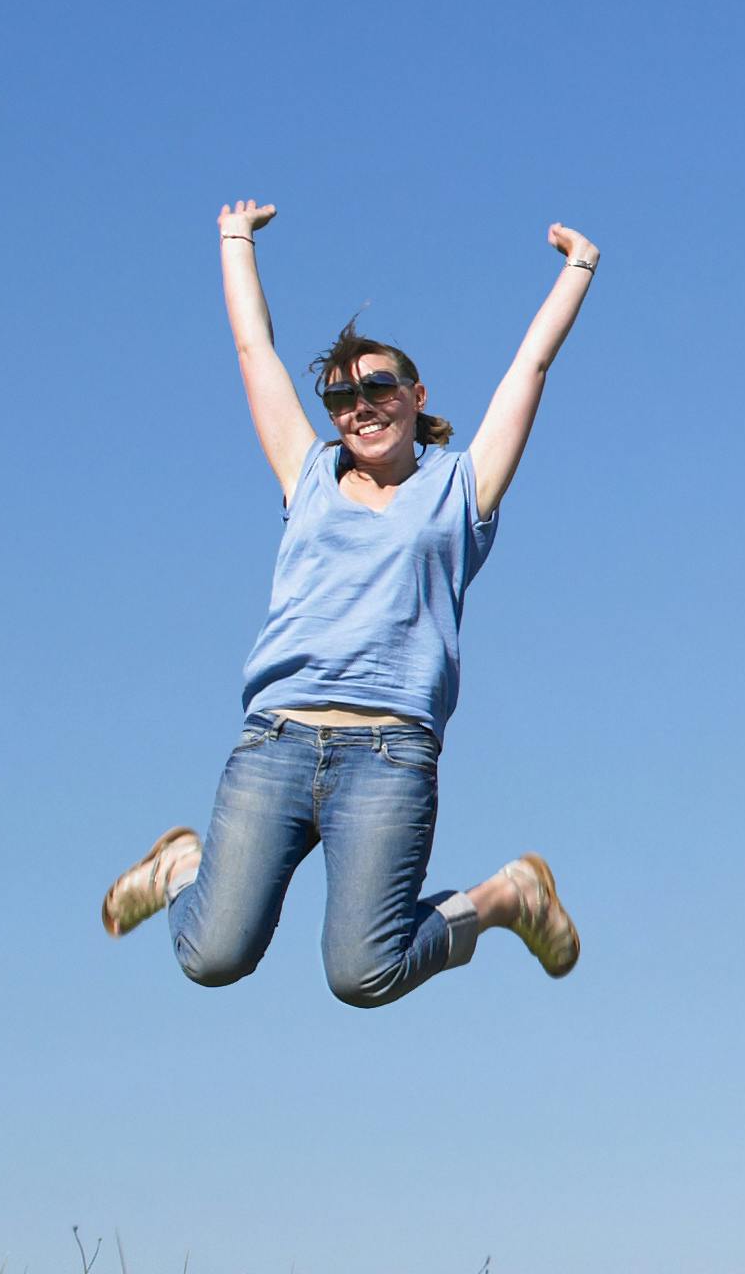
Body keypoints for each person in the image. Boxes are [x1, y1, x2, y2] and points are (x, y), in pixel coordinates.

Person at [96, 200, 594, 1002]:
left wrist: (578, 268)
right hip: (277, 739)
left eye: (378, 386)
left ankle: (508, 898)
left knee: (363, 973)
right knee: (211, 956)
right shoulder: (308, 475)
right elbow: (253, 350)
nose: (359, 406)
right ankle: (183, 866)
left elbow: (529, 366)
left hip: (390, 754)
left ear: (415, 394)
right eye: (339, 398)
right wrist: (234, 240)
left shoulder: (461, 488)